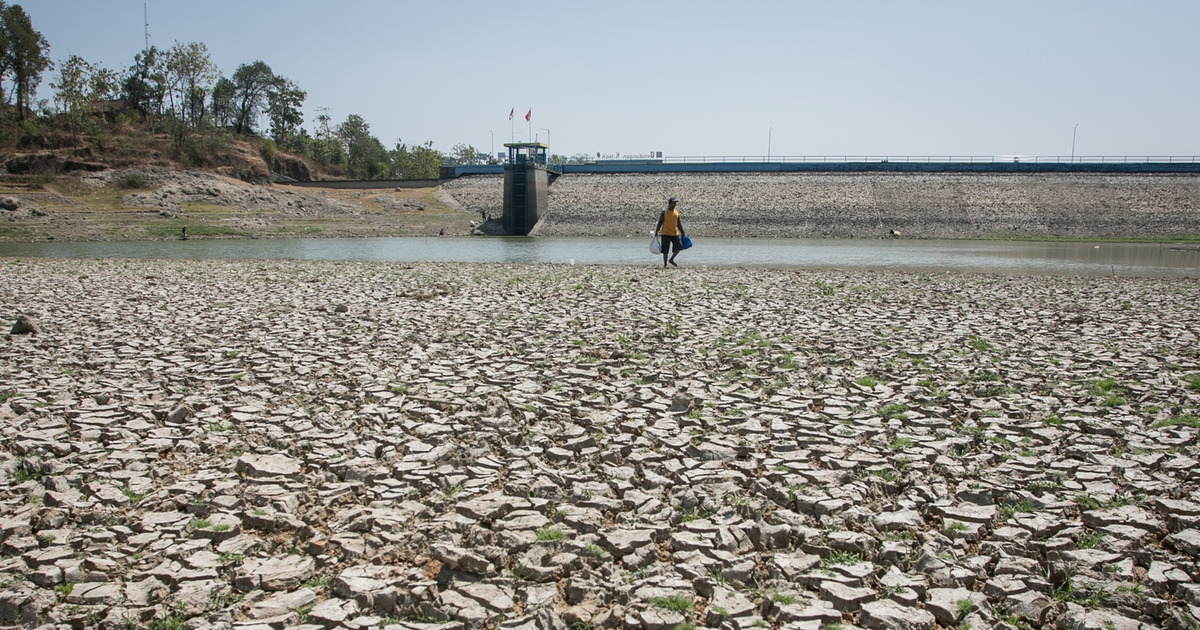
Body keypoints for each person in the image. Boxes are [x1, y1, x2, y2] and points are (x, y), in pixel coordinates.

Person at [654, 197, 686, 267]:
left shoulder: (676, 213)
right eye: (673, 202)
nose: (674, 204)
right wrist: (656, 231)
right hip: (665, 233)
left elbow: (678, 224)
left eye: (675, 203)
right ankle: (665, 264)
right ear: (669, 203)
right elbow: (660, 222)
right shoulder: (664, 212)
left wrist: (682, 232)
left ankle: (671, 259)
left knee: (679, 247)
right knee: (665, 250)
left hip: (675, 233)